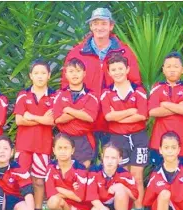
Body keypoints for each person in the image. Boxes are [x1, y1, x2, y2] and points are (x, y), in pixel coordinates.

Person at [61, 7, 142, 159]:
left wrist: (124, 112)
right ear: (91, 26)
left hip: (114, 122)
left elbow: (135, 83)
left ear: (111, 26)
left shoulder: (124, 52)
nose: (100, 27)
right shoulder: (77, 52)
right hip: (84, 122)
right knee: (83, 167)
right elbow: (66, 86)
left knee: (112, 166)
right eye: (96, 23)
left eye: (104, 23)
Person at [100, 53, 148, 210]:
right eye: (114, 69)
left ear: (127, 69)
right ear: (109, 72)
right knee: (122, 175)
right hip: (118, 138)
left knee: (137, 176)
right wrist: (130, 112)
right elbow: (108, 116)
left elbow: (142, 115)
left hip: (139, 137)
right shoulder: (106, 93)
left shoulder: (139, 90)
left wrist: (118, 116)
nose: (117, 72)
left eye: (121, 68)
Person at [13, 59, 55, 210]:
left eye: (43, 73)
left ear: (49, 75)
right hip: (24, 145)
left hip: (43, 145)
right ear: (30, 75)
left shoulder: (54, 96)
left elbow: (52, 122)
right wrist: (41, 119)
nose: (39, 76)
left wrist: (31, 116)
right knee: (20, 178)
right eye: (36, 73)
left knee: (38, 180)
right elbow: (19, 120)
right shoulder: (23, 95)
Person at [148, 52, 183, 167]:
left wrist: (164, 104)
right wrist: (178, 107)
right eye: (168, 67)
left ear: (182, 69)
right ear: (163, 69)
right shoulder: (157, 87)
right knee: (159, 176)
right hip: (158, 142)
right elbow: (152, 111)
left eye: (176, 66)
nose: (172, 70)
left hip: (181, 143)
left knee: (179, 178)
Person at [86, 143, 138, 210]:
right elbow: (92, 197)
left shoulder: (125, 174)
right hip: (103, 206)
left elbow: (135, 195)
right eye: (107, 157)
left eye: (113, 158)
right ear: (102, 157)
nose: (109, 161)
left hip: (119, 206)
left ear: (120, 159)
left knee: (121, 190)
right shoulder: (94, 171)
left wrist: (121, 187)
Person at [54, 58, 99, 168]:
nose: (75, 74)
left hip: (83, 140)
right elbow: (57, 119)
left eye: (78, 71)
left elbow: (90, 117)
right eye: (71, 71)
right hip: (64, 139)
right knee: (64, 174)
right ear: (66, 74)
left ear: (84, 74)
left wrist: (69, 110)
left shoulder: (91, 96)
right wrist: (80, 112)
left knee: (83, 174)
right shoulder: (59, 94)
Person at [45, 133, 91, 210]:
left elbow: (80, 198)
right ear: (54, 150)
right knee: (53, 201)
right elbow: (51, 194)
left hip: (80, 208)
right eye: (59, 148)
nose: (62, 151)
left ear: (72, 150)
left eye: (66, 148)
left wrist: (59, 189)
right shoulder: (50, 167)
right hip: (63, 207)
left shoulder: (80, 168)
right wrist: (72, 192)